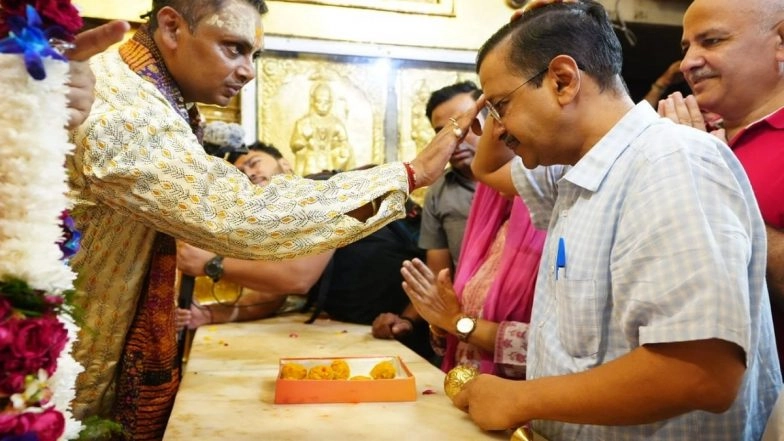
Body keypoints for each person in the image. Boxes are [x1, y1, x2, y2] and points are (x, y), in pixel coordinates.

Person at [66, 0, 478, 437]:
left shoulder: (148, 97)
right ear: (171, 27)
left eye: (254, 55)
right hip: (71, 361)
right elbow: (242, 214)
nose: (248, 71)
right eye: (233, 48)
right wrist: (410, 174)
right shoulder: (122, 104)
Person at [458, 1, 782, 439]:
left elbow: (701, 374)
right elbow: (487, 170)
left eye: (500, 107)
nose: (497, 128)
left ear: (563, 80)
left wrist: (522, 399)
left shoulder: (671, 162)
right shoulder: (579, 169)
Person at [658, 0, 784, 375]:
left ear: (781, 42)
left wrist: (710, 184)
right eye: (686, 48)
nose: (687, 63)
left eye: (711, 41)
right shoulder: (698, 136)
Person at [400, 181, 545, 378]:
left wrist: (456, 322)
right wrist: (441, 322)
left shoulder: (555, 233)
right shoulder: (499, 227)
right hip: (465, 392)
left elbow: (551, 351)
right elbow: (461, 322)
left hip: (515, 399)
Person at [372, 81, 480, 347]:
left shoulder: (528, 179)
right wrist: (406, 320)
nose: (455, 139)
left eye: (464, 125)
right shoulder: (439, 192)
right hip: (464, 321)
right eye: (442, 132)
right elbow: (439, 276)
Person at [289, 81, 354, 175]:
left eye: (326, 102)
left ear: (331, 102)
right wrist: (301, 143)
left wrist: (338, 147)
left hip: (331, 167)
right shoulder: (304, 123)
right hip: (310, 167)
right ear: (313, 101)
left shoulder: (336, 123)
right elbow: (295, 143)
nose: (323, 105)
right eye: (319, 101)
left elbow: (344, 142)